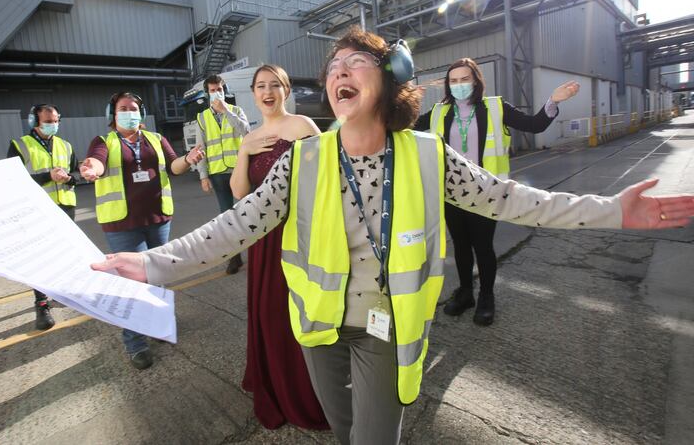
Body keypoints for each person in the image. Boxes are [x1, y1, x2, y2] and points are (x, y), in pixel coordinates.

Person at [92, 28, 694, 444]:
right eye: (332, 67)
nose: (338, 71)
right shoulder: (302, 161)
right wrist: (154, 264)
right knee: (345, 430)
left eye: (354, 62)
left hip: (385, 328)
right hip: (318, 328)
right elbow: (234, 225)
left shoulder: (429, 155)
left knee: (376, 438)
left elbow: (514, 199)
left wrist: (612, 211)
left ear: (390, 77)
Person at [414, 58, 579, 326]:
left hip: (485, 192)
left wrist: (553, 101)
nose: (459, 85)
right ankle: (465, 293)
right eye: (453, 81)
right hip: (451, 193)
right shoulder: (437, 112)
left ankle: (486, 297)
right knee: (461, 246)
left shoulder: (495, 107)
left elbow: (535, 125)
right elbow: (405, 129)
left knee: (483, 246)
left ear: (476, 81)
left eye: (464, 79)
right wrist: (406, 101)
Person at [228, 64, 328, 430]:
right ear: (253, 93)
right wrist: (244, 150)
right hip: (264, 239)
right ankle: (275, 383)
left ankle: (308, 391)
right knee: (271, 313)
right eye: (260, 86)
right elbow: (240, 192)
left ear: (286, 90)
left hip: (300, 235)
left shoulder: (303, 126)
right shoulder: (251, 136)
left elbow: (326, 181)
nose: (267, 92)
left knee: (301, 312)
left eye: (275, 85)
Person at [78, 92, 204, 370]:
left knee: (158, 276)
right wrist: (91, 168)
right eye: (123, 108)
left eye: (133, 108)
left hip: (158, 219)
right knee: (133, 284)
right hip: (123, 224)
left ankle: (159, 324)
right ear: (113, 115)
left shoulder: (156, 139)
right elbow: (97, 161)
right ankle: (135, 342)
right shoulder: (104, 142)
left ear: (141, 113)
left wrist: (189, 158)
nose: (129, 112)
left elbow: (174, 166)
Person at [8, 104, 77, 331]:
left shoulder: (66, 145)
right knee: (40, 258)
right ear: (34, 122)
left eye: (56, 121)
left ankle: (62, 292)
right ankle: (41, 303)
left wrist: (68, 178)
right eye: (48, 121)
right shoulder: (20, 145)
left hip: (65, 206)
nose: (53, 125)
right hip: (37, 209)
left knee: (64, 254)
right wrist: (48, 176)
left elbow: (76, 175)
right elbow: (12, 180)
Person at [195, 74, 251, 274]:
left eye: (219, 89)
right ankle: (234, 258)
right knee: (226, 218)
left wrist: (226, 111)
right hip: (218, 173)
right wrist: (203, 175)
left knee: (249, 213)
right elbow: (200, 148)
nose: (217, 93)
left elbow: (247, 133)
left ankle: (257, 252)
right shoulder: (202, 117)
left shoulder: (236, 110)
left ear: (224, 90)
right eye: (212, 90)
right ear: (207, 93)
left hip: (240, 170)